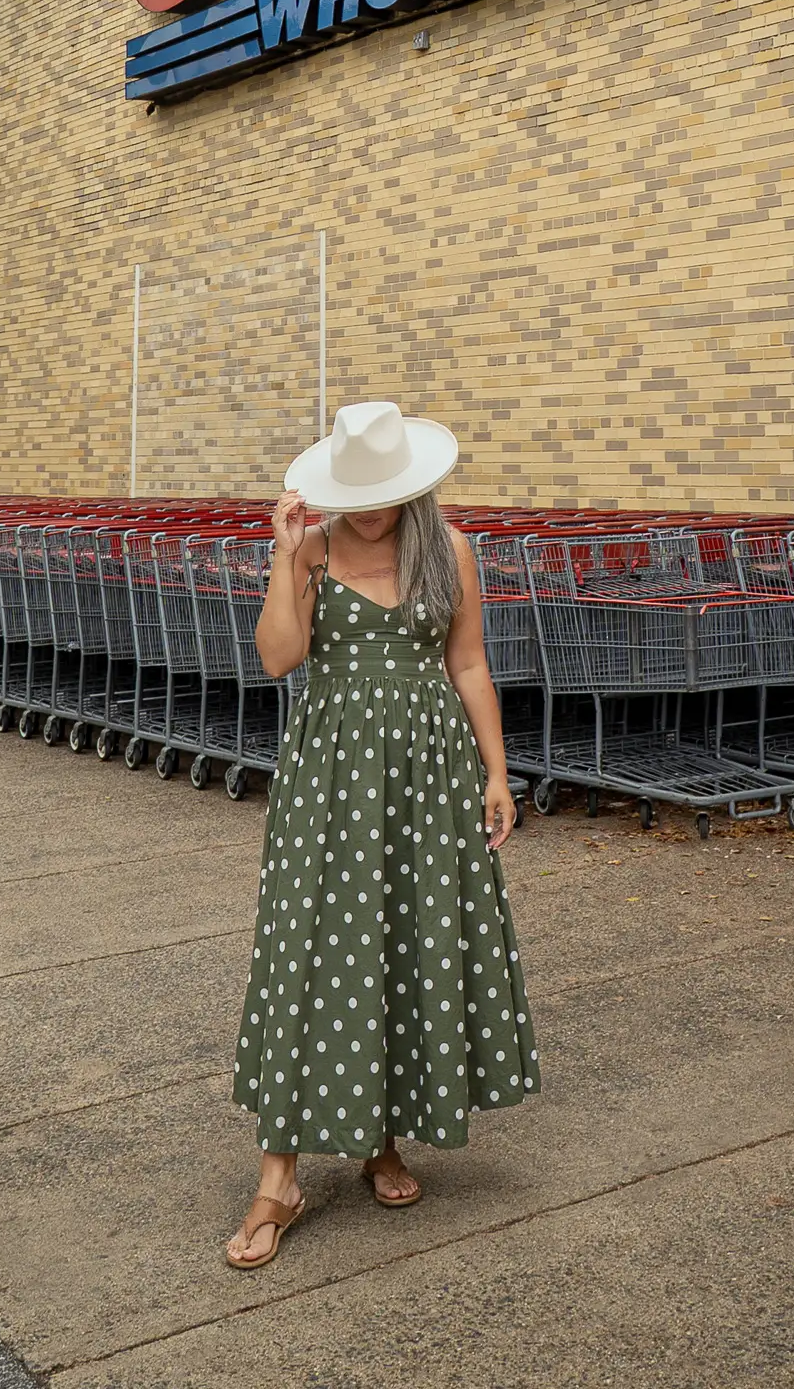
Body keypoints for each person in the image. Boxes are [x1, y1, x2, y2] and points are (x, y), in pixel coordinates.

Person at [226, 400, 539, 1267]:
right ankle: (277, 1176)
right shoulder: (315, 548)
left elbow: (468, 662)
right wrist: (285, 557)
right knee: (313, 946)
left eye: (385, 491)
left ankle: (380, 1139)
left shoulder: (447, 550)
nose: (370, 507)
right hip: (331, 780)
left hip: (426, 775)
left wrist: (496, 771)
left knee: (404, 942)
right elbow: (278, 658)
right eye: (356, 492)